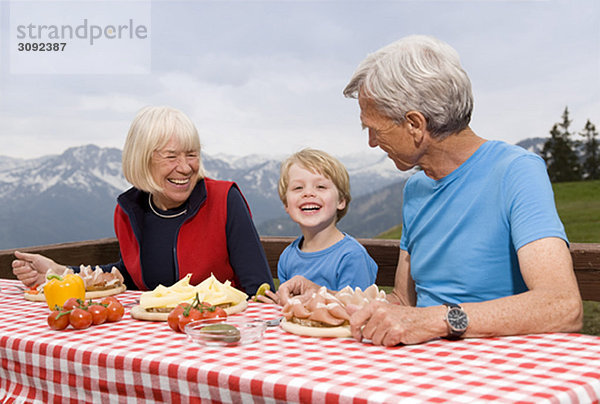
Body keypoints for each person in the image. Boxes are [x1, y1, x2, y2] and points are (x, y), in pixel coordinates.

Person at [277, 35, 583, 345]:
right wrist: (326, 298)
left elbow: (562, 306)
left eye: (375, 128)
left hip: (493, 365)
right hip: (423, 363)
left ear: (415, 125)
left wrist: (438, 320)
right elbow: (402, 302)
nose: (371, 141)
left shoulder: (516, 171)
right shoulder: (416, 188)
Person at [12, 106, 274, 295]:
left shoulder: (224, 200)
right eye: (171, 157)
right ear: (142, 159)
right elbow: (128, 273)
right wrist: (60, 271)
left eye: (191, 155)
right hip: (154, 345)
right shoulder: (130, 210)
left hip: (215, 339)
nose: (185, 168)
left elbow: (260, 289)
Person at [257, 149, 377, 304]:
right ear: (286, 204)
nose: (308, 193)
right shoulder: (288, 256)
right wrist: (280, 304)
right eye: (298, 188)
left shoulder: (352, 256)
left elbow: (358, 308)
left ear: (341, 201)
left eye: (320, 187)